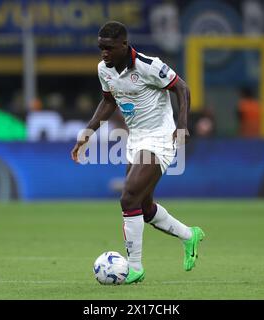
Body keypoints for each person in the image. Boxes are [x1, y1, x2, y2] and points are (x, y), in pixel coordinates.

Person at [70, 21, 205, 284]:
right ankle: (190, 235)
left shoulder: (147, 65)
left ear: (123, 45)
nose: (104, 54)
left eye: (108, 48)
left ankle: (134, 267)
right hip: (135, 140)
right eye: (100, 48)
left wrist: (182, 126)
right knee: (143, 207)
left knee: (128, 197)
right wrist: (87, 133)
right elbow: (109, 102)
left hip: (159, 139)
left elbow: (182, 88)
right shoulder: (104, 70)